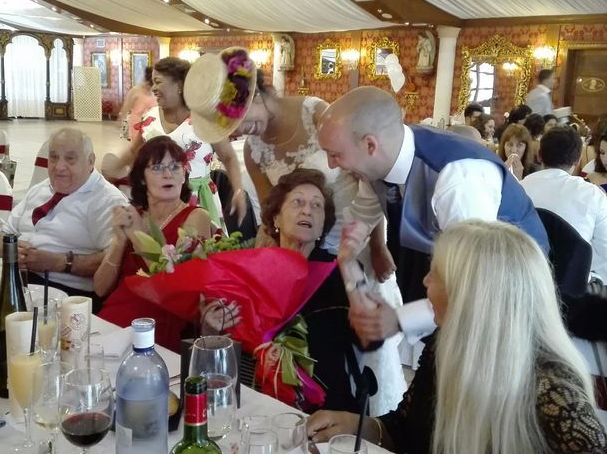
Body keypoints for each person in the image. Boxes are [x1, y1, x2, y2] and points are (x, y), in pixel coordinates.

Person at [184, 55, 406, 414]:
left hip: (356, 239)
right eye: (232, 130)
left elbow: (369, 178)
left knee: (356, 345)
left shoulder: (317, 113)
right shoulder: (255, 153)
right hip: (300, 251)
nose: (239, 134)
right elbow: (271, 215)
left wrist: (377, 245)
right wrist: (257, 270)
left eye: (240, 122)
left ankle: (363, 422)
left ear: (256, 95)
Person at [307, 220, 607, 454]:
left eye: (435, 274)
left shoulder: (551, 390)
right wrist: (359, 425)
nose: (424, 281)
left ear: (471, 294)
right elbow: (404, 429)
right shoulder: (446, 344)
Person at [316, 86, 548, 342]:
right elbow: (361, 218)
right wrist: (348, 254)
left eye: (335, 154)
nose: (330, 165)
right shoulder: (379, 162)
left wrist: (400, 319)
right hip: (454, 281)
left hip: (507, 302)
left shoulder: (458, 182)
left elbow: (475, 284)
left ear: (370, 144)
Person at [260, 168, 386, 413]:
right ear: (275, 217)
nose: (307, 210)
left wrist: (349, 266)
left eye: (317, 206)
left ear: (322, 228)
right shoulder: (255, 268)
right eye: (298, 202)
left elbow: (371, 340)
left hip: (326, 406)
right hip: (262, 397)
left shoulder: (339, 271)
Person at [97, 137, 236, 350]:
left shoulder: (196, 216)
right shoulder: (136, 215)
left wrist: (136, 236)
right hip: (114, 318)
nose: (168, 174)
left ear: (184, 176)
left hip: (159, 324)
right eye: (157, 167)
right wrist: (119, 240)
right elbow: (100, 288)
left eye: (175, 167)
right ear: (142, 178)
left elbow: (174, 287)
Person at [0, 128, 127, 313]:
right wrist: (10, 249)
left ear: (90, 161)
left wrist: (58, 262)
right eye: (54, 158)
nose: (59, 166)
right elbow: (4, 233)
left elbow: (115, 260)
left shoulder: (107, 200)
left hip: (69, 297)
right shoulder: (40, 189)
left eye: (70, 159)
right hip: (17, 283)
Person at [107, 56, 246, 229]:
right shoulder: (150, 117)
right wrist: (109, 172)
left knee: (195, 249)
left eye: (158, 82)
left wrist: (238, 191)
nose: (154, 88)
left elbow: (229, 157)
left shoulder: (205, 119)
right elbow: (133, 152)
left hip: (198, 199)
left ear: (179, 86)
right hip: (159, 198)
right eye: (153, 82)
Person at [521, 126, 607, 282]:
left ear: (539, 156)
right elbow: (605, 250)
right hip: (572, 288)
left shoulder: (519, 188)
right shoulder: (593, 195)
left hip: (523, 278)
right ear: (577, 160)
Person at [118, 66, 157, 141]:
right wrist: (120, 120)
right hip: (137, 123)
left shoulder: (156, 91)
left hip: (152, 124)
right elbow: (126, 106)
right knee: (138, 147)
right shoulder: (136, 90)